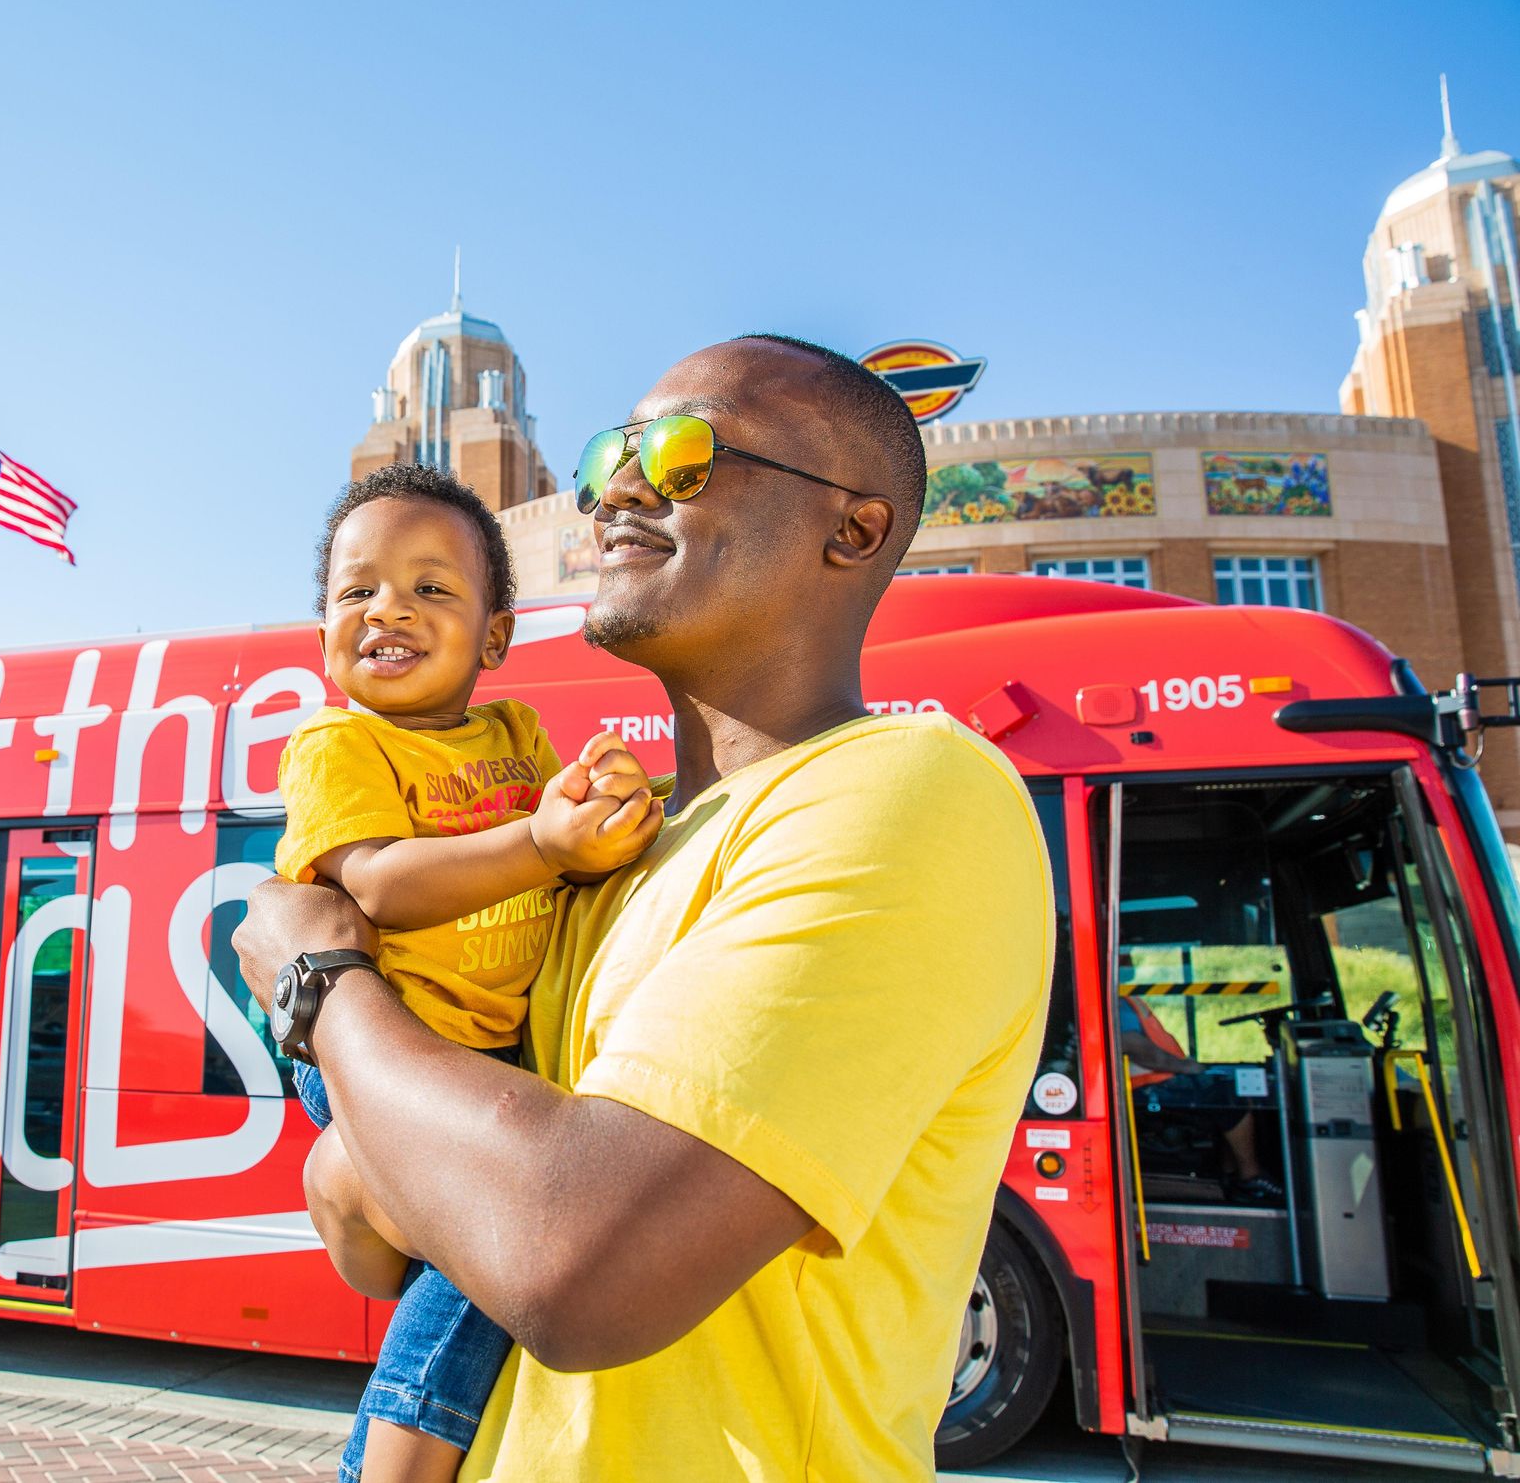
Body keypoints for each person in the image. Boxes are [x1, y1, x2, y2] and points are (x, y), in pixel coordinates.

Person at [238, 335, 1053, 1481]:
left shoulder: (908, 789)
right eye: (611, 451)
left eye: (681, 454)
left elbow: (572, 1270)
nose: (617, 485)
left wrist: (318, 982)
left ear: (852, 529)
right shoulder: (615, 848)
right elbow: (380, 1240)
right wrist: (399, 1163)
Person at [278, 463, 661, 1482]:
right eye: (355, 590)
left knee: (483, 1244)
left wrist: (610, 800)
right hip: (379, 1049)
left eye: (430, 587)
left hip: (488, 1053)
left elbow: (570, 833)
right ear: (319, 636)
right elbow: (381, 884)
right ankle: (397, 1454)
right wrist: (541, 845)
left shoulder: (514, 737)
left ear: (495, 638)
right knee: (492, 1242)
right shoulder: (335, 745)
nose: (385, 609)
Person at [1120, 995, 1279, 1200]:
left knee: (1228, 1089)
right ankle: (1251, 1177)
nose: (1128, 961)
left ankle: (1228, 1176)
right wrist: (1185, 1066)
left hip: (1161, 1082)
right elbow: (1131, 1043)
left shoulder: (1123, 998)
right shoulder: (1108, 998)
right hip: (1144, 1091)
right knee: (1226, 1099)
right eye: (1126, 959)